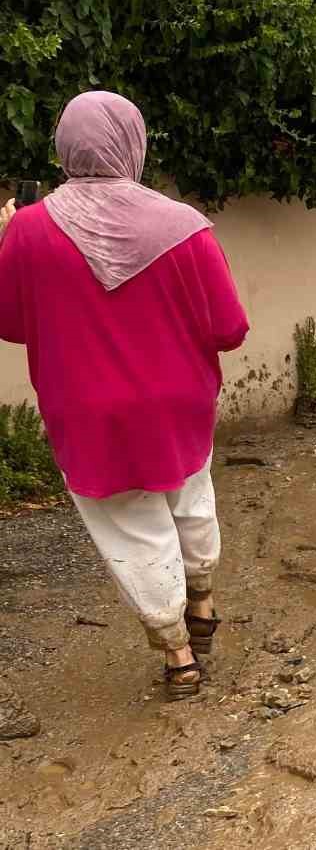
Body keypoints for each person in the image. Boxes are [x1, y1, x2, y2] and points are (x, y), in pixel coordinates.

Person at [0, 91, 249, 701]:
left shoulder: (30, 229)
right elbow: (231, 329)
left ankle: (179, 656)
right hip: (179, 403)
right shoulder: (186, 225)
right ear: (133, 144)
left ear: (65, 146)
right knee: (190, 499)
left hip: (87, 412)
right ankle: (205, 602)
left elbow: (9, 322)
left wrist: (10, 239)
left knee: (133, 528)